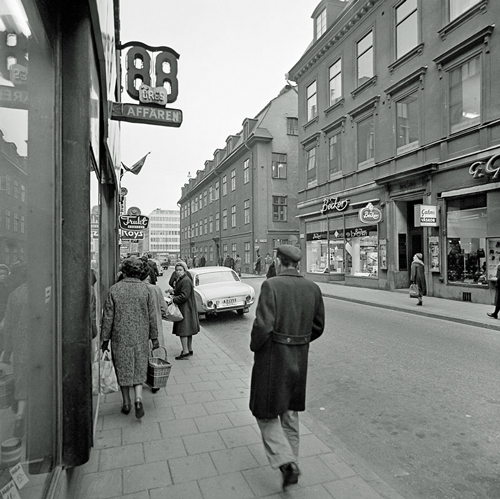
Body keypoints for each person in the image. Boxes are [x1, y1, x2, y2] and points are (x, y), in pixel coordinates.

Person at [249, 245, 325, 489]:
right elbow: (318, 326)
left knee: (266, 412)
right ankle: (292, 462)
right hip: (299, 358)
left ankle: (286, 462)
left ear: (279, 262)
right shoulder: (313, 288)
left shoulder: (271, 285)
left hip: (273, 359)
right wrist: (299, 341)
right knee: (290, 414)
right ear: (297, 264)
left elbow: (263, 326)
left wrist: (255, 346)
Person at [101, 258, 159, 419]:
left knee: (123, 368)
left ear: (124, 271)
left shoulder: (115, 290)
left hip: (120, 336)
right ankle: (138, 399)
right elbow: (152, 316)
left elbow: (108, 318)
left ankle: (126, 402)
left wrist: (104, 340)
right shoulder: (145, 290)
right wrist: (154, 338)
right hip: (141, 335)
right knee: (139, 367)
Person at [166, 261, 200, 359]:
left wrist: (173, 299)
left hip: (185, 308)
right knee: (188, 330)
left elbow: (184, 296)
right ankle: (189, 349)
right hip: (187, 307)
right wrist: (173, 291)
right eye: (176, 270)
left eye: (180, 270)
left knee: (183, 330)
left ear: (185, 270)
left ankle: (185, 351)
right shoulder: (183, 279)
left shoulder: (185, 280)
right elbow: (182, 291)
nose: (178, 272)